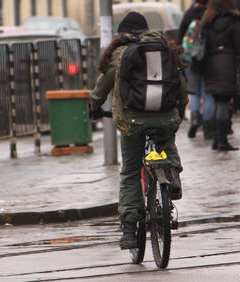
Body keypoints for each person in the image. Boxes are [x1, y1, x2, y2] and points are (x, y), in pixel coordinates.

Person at [90, 12, 188, 249]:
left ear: (122, 33)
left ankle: (128, 229)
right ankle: (172, 177)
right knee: (166, 143)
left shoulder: (121, 53)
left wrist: (93, 105)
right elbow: (181, 85)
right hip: (165, 116)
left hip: (132, 120)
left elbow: (103, 87)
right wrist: (179, 112)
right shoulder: (163, 47)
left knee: (131, 171)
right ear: (145, 30)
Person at [202, 0, 240, 151]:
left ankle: (216, 139)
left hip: (210, 64)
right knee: (223, 102)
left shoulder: (207, 19)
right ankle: (222, 140)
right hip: (227, 63)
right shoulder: (233, 19)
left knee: (217, 100)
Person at [178, 0, 214, 139]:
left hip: (189, 59)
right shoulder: (210, 14)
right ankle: (207, 126)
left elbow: (180, 36)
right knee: (207, 93)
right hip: (206, 59)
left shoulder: (188, 14)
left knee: (193, 92)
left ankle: (194, 119)